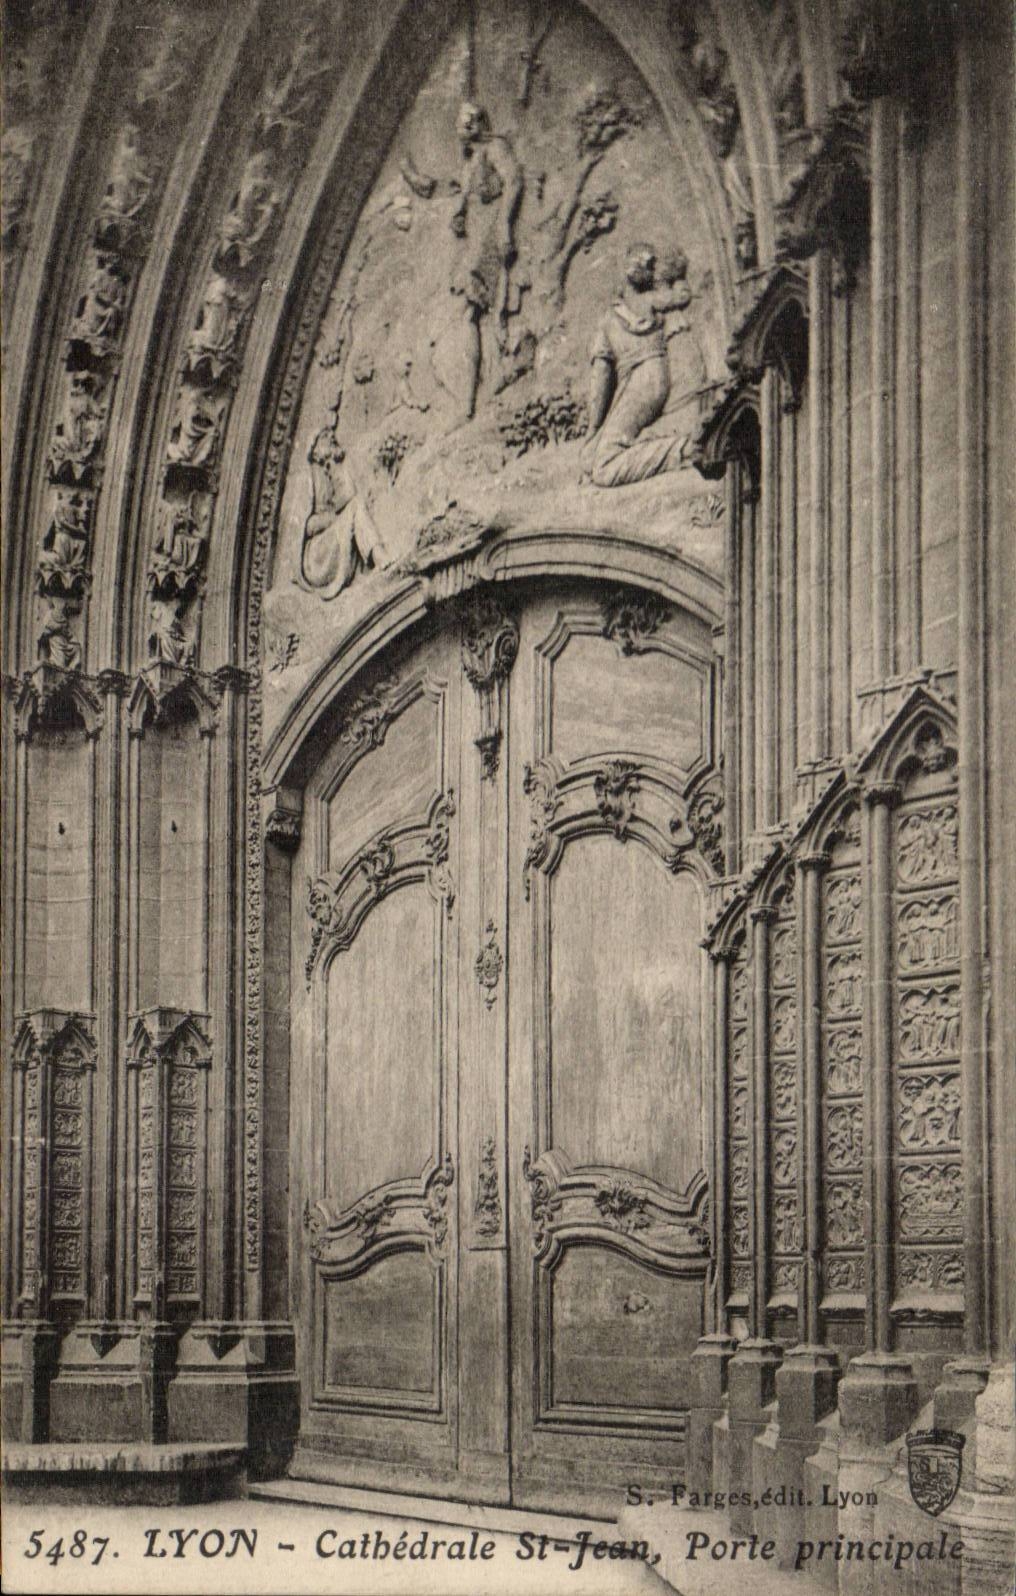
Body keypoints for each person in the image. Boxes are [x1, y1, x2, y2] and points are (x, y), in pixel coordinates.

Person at [581, 241, 693, 487]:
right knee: (601, 453)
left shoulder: (607, 322)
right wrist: (678, 279)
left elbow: (600, 384)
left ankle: (686, 449)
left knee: (604, 468)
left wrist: (592, 429)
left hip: (641, 385)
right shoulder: (654, 300)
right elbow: (682, 295)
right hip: (658, 377)